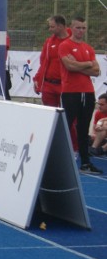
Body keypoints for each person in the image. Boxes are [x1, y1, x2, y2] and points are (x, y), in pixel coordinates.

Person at [59, 16, 103, 174]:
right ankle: (59, 160)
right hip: (71, 92)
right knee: (67, 125)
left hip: (88, 92)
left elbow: (96, 71)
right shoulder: (65, 46)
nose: (81, 31)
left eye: (83, 28)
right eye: (78, 28)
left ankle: (85, 162)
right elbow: (69, 66)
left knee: (84, 128)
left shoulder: (88, 48)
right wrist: (87, 64)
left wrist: (79, 64)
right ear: (72, 27)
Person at [33, 16, 76, 148]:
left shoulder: (73, 41)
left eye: (52, 26)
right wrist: (37, 78)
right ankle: (49, 145)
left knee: (69, 118)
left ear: (61, 26)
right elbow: (44, 62)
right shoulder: (49, 42)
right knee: (49, 116)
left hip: (65, 85)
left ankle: (73, 146)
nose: (50, 29)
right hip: (49, 85)